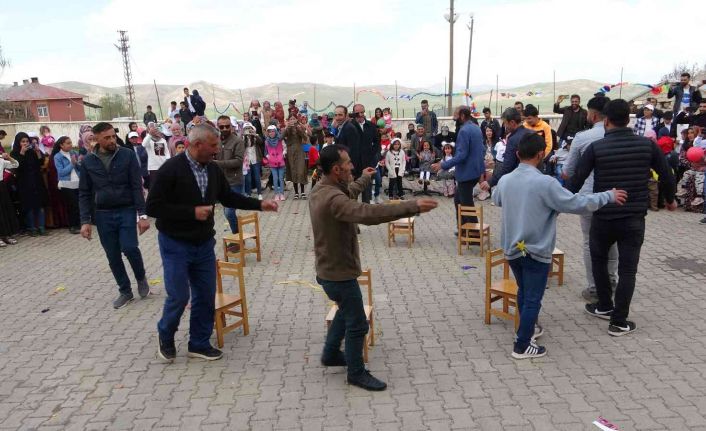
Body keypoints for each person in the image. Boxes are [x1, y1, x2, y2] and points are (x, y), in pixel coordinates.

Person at [309, 144, 438, 390]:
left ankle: (330, 354)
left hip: (328, 271)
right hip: (339, 274)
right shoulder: (333, 198)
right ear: (336, 169)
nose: (352, 166)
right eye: (348, 163)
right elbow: (367, 213)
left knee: (344, 310)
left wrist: (365, 178)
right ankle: (356, 373)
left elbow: (349, 193)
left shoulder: (322, 188)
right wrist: (411, 206)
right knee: (358, 324)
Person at [147, 123, 278, 362]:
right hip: (175, 244)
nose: (217, 150)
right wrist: (191, 212)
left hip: (204, 243)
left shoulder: (213, 170)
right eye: (214, 145)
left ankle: (198, 343)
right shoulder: (171, 169)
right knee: (178, 296)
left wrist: (260, 204)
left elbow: (228, 197)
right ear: (197, 145)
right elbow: (153, 206)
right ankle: (165, 334)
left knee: (205, 295)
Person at [493, 132, 627, 359]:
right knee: (533, 297)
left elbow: (496, 198)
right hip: (535, 250)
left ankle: (527, 329)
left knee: (525, 292)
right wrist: (608, 196)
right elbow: (577, 203)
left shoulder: (505, 180)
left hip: (513, 249)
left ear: (517, 154)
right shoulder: (546, 183)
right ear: (541, 154)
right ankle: (522, 345)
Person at [567, 99, 677, 336]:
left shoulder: (596, 148)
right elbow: (666, 175)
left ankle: (604, 305)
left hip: (603, 216)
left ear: (605, 120)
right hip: (633, 218)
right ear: (630, 120)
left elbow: (575, 181)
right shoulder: (647, 146)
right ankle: (619, 321)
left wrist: (559, 200)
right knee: (628, 270)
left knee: (598, 260)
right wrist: (669, 200)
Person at [78, 122, 151, 309]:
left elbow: (137, 186)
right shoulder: (88, 161)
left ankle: (141, 278)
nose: (112, 140)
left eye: (113, 136)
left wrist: (142, 215)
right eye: (107, 137)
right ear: (96, 139)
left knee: (130, 247)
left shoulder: (127, 155)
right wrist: (85, 221)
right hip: (102, 214)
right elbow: (84, 192)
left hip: (126, 209)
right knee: (112, 254)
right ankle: (125, 291)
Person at [561, 96, 619, 302]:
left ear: (593, 114)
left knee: (589, 242)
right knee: (612, 241)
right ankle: (611, 281)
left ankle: (594, 287)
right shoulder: (619, 135)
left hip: (588, 196)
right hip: (615, 197)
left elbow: (567, 171)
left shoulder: (582, 137)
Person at [432, 106, 485, 225]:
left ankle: (473, 233)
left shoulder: (464, 131)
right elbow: (481, 150)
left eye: (455, 115)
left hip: (467, 173)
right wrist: (481, 171)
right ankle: (462, 229)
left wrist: (443, 165)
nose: (453, 117)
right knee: (458, 200)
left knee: (466, 205)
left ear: (462, 116)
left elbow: (462, 155)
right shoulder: (476, 128)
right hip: (474, 171)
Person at [335, 104, 380, 203]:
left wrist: (372, 156)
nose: (360, 115)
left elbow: (377, 143)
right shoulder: (350, 125)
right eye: (357, 113)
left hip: (367, 163)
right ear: (353, 113)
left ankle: (366, 214)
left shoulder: (371, 126)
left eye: (362, 112)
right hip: (353, 166)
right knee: (352, 194)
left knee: (366, 195)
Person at [480, 108, 531, 193]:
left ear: (512, 122)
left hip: (518, 180)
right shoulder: (531, 133)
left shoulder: (513, 139)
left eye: (505, 123)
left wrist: (490, 182)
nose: (505, 126)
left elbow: (507, 166)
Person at [11, 132, 48, 236]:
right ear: (18, 143)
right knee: (29, 207)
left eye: (27, 141)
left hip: (36, 181)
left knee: (40, 205)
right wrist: (22, 153)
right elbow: (18, 167)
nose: (25, 143)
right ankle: (32, 228)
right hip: (24, 183)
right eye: (23, 142)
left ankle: (41, 227)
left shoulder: (32, 152)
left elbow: (40, 163)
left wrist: (38, 153)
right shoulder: (14, 153)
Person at [213, 115, 245, 238]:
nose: (225, 128)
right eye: (222, 126)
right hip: (220, 181)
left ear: (231, 126)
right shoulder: (216, 140)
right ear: (218, 127)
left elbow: (238, 161)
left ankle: (237, 236)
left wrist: (218, 164)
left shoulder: (238, 141)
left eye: (227, 126)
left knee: (229, 211)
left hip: (234, 181)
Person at [52, 136, 81, 234]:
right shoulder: (57, 156)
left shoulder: (74, 153)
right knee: (72, 205)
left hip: (77, 182)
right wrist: (72, 164)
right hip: (66, 184)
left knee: (79, 204)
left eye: (71, 142)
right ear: (61, 145)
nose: (70, 145)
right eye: (68, 143)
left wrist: (78, 163)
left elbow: (80, 169)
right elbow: (61, 172)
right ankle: (72, 226)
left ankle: (79, 224)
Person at [283, 116, 309, 199]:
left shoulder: (299, 127)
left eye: (294, 119)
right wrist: (287, 127)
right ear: (288, 120)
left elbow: (305, 138)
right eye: (291, 119)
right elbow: (281, 137)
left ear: (296, 120)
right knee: (293, 171)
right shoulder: (287, 129)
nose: (292, 120)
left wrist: (299, 129)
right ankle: (296, 193)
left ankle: (303, 192)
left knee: (301, 171)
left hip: (299, 151)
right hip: (290, 152)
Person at [0, 152, 20, 246]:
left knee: (5, 211)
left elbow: (15, 164)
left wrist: (9, 157)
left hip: (1, 187)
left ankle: (7, 235)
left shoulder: (1, 160)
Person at [142, 122, 170, 187]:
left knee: (165, 186)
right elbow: (143, 144)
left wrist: (167, 161)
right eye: (151, 129)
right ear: (148, 130)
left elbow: (166, 153)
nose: (154, 130)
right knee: (155, 186)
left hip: (163, 166)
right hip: (154, 168)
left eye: (155, 128)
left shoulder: (162, 140)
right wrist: (150, 134)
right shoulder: (148, 140)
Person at [242, 123, 264, 200]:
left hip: (255, 160)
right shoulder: (242, 138)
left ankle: (259, 193)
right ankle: (248, 193)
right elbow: (241, 147)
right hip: (247, 162)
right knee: (248, 178)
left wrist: (255, 134)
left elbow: (261, 142)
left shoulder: (255, 137)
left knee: (257, 177)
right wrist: (244, 136)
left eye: (249, 128)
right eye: (246, 128)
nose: (248, 130)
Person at [264, 125, 286, 201]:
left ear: (276, 131)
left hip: (280, 162)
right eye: (269, 132)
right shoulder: (266, 141)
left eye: (273, 131)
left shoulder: (280, 139)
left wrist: (283, 154)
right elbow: (265, 152)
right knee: (275, 178)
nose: (271, 133)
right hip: (272, 162)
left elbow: (284, 148)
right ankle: (276, 194)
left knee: (281, 178)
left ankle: (282, 194)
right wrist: (268, 157)